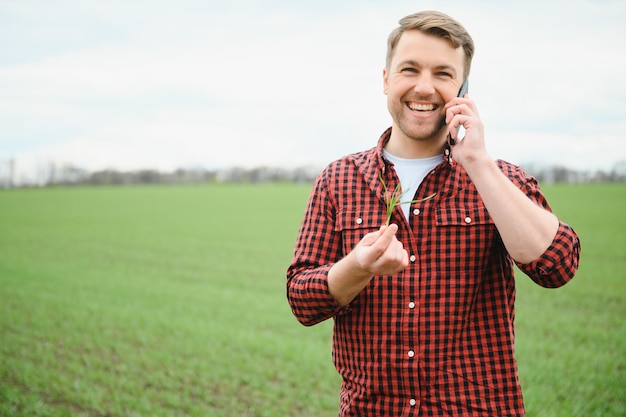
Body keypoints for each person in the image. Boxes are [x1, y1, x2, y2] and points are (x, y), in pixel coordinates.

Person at [286, 10, 580, 417]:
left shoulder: (500, 178)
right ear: (386, 78)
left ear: (462, 87)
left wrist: (477, 162)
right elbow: (302, 300)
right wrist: (357, 266)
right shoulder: (339, 179)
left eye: (443, 73)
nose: (424, 87)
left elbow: (558, 266)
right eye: (410, 69)